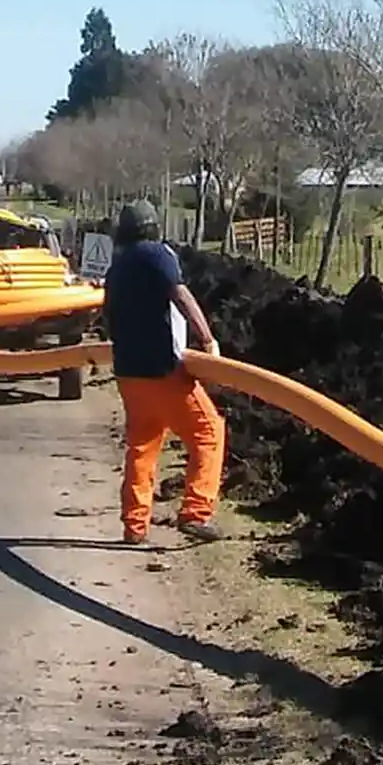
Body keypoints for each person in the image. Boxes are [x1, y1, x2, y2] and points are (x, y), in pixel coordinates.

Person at [101, 199, 226, 545]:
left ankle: (134, 526)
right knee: (208, 433)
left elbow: (108, 315)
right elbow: (182, 297)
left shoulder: (117, 268)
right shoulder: (158, 255)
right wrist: (207, 339)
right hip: (163, 370)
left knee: (142, 445)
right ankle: (196, 513)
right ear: (153, 227)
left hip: (129, 372)